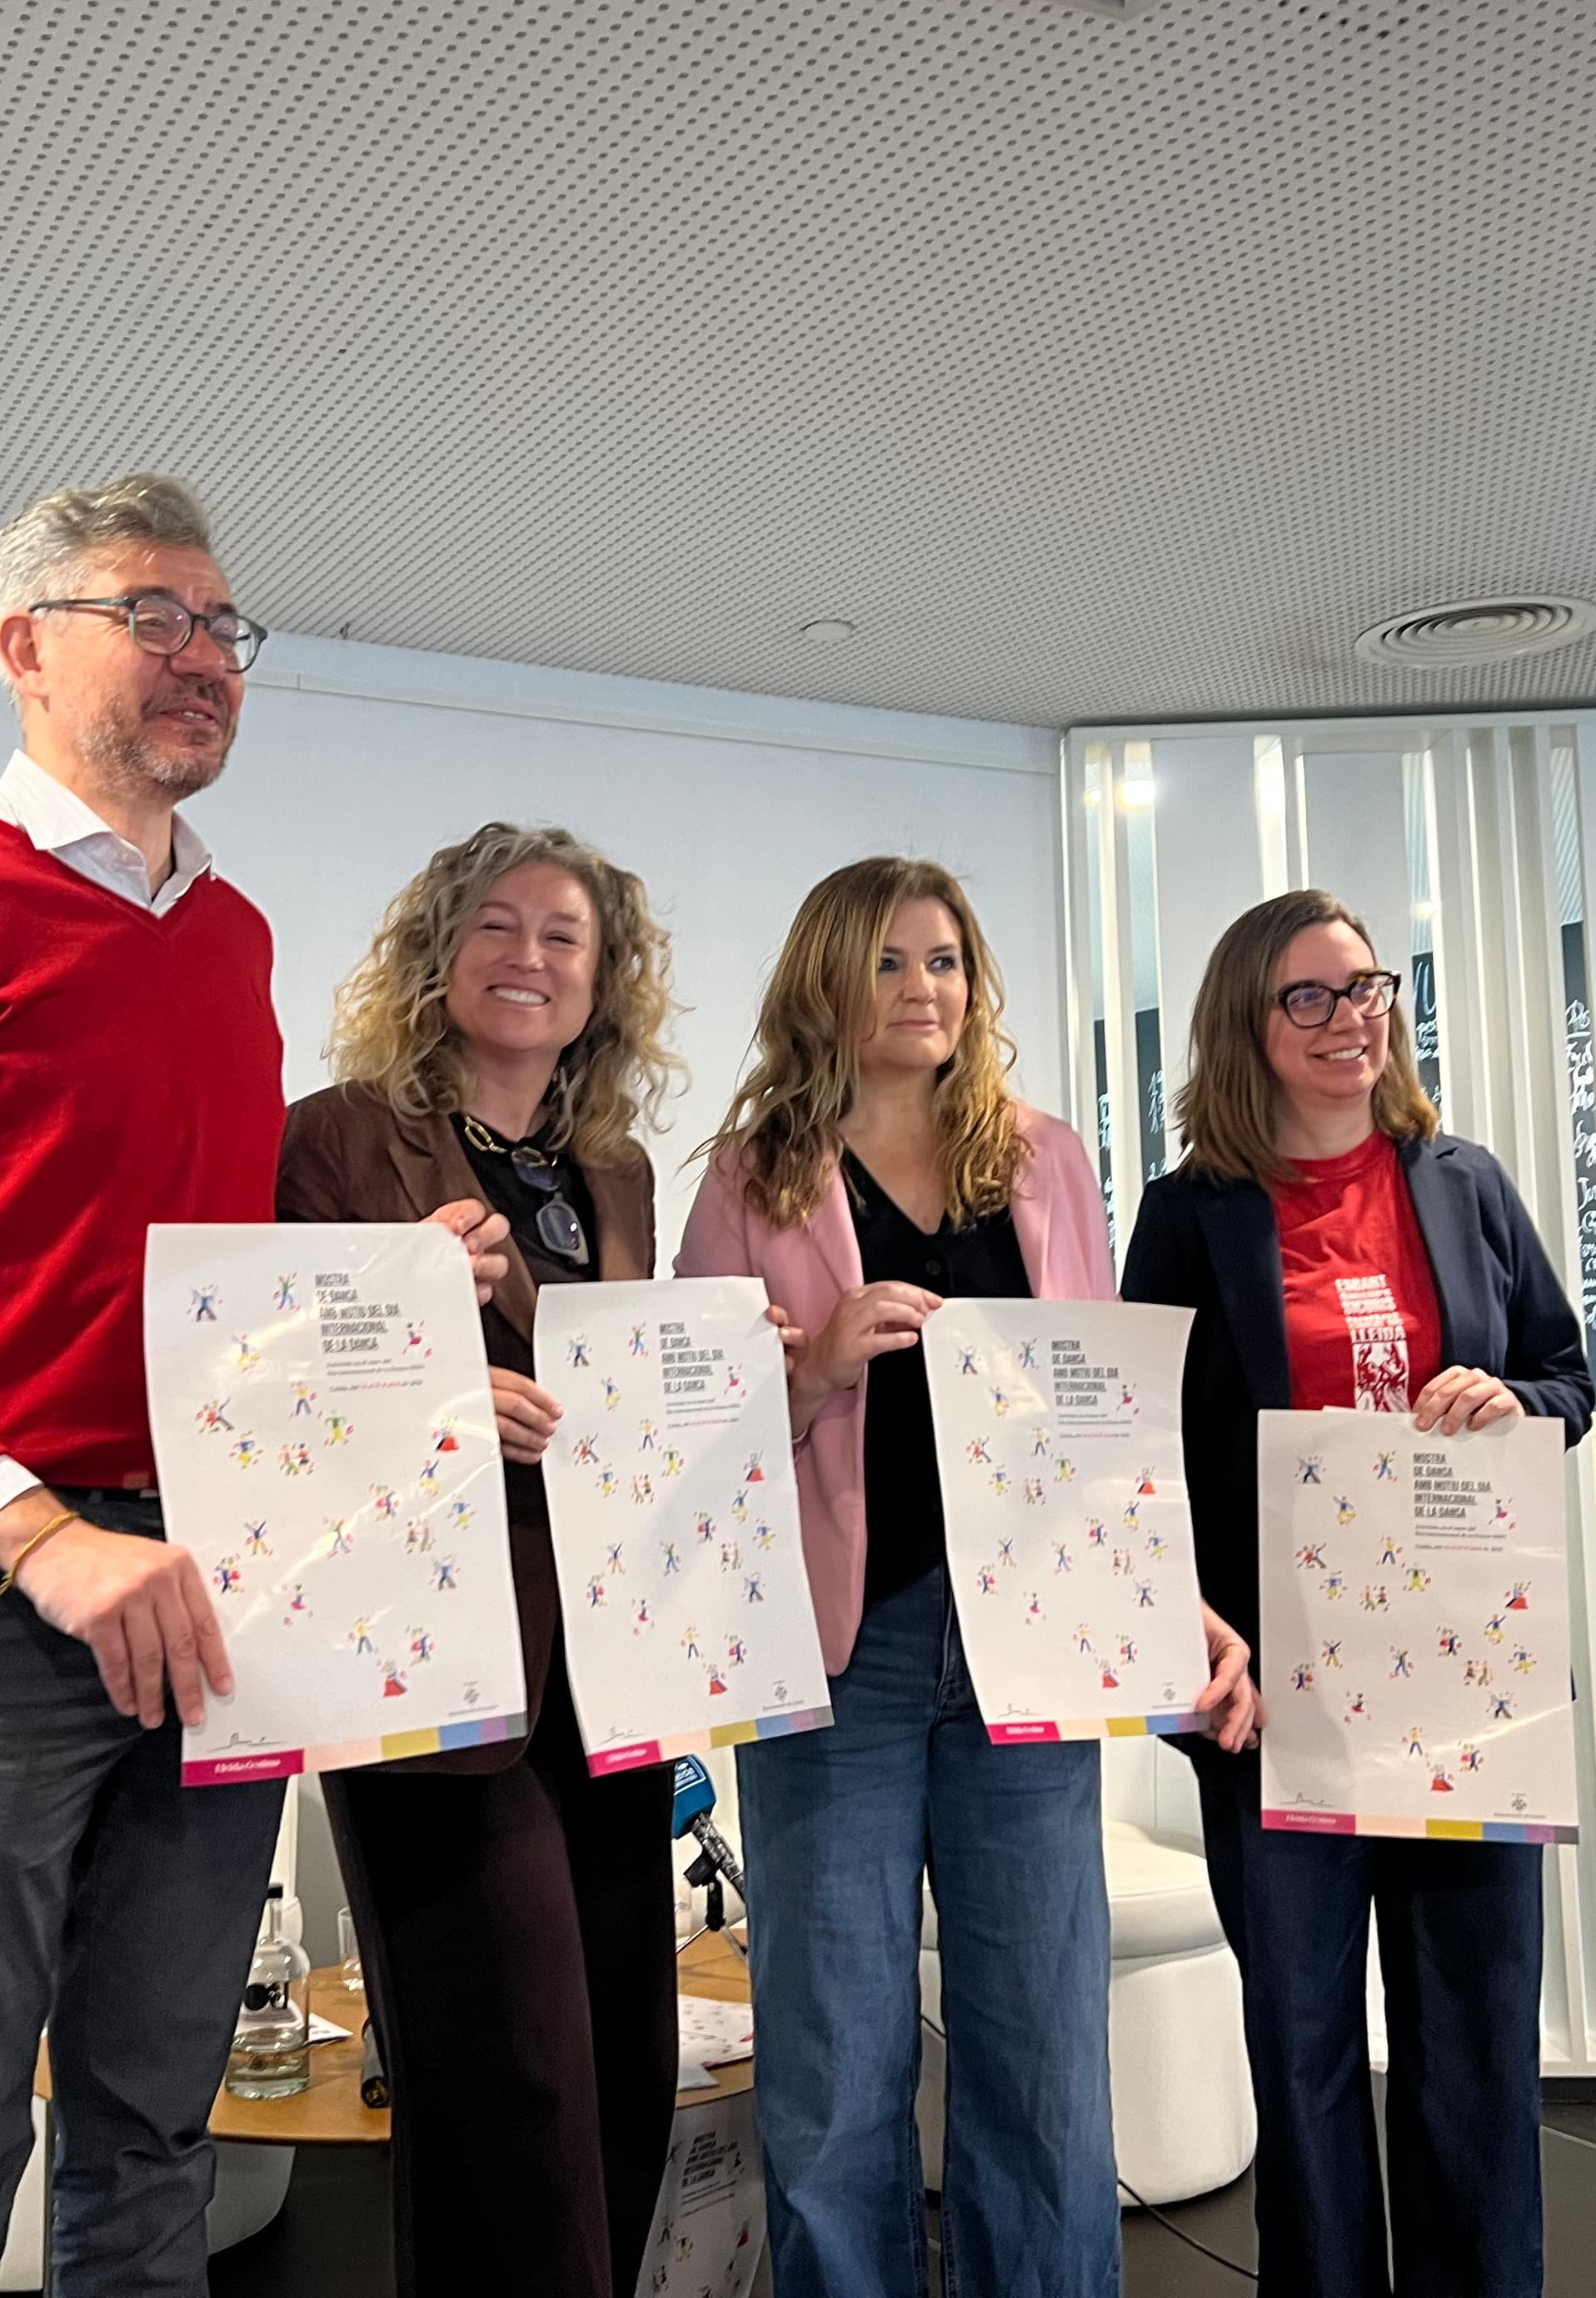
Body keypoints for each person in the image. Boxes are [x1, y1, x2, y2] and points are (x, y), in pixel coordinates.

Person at [0, 474, 504, 2296]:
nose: (206, 659)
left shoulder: (230, 941)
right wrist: (46, 1538)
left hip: (220, 1596)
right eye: (155, 616)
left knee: (158, 2132)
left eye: (227, 630)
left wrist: (393, 1289)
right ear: (23, 645)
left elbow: (190, 1296)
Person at [675, 856, 1254, 2298]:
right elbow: (674, 1426)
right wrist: (809, 1367)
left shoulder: (1045, 1157)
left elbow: (1104, 1408)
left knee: (1043, 2049)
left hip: (1030, 1648)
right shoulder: (752, 1176)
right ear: (827, 980)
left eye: (943, 960)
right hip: (838, 1654)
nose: (922, 988)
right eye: (887, 961)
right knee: (834, 2053)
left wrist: (1160, 1588)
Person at [1121, 889, 1594, 2298]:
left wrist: (1507, 1394)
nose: (1351, 1018)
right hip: (1280, 1699)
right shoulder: (1191, 1216)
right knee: (1307, 2051)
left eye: (1367, 987)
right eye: (1309, 997)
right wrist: (1197, 1653)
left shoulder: (1465, 1182)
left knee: (1475, 2049)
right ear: (1248, 1029)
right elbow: (1139, 1453)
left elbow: (1571, 1382)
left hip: (1464, 1689)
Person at [276, 822, 696, 2297]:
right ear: (437, 955)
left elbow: (615, 1398)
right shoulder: (333, 1139)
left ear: (604, 977)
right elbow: (268, 1397)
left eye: (564, 936)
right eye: (498, 928)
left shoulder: (620, 1169)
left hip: (609, 1661)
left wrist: (709, 1377)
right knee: (508, 2078)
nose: (530, 958)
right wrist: (433, 1391)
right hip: (431, 1667)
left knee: (629, 2061)